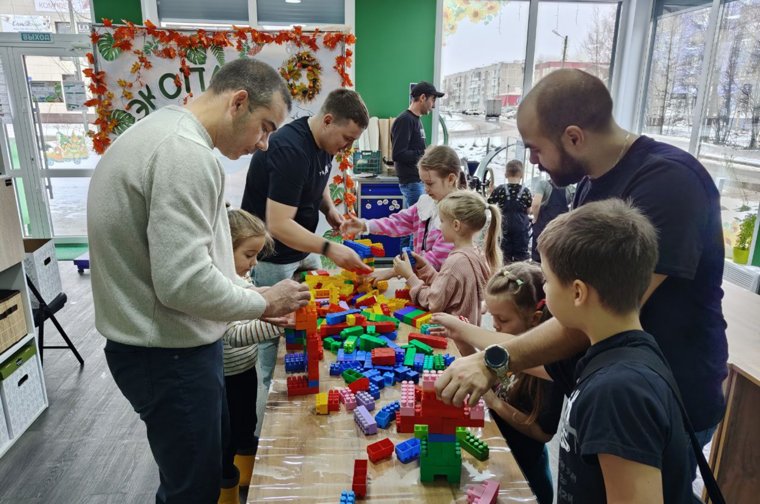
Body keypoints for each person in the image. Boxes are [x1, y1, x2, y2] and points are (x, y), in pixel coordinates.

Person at [433, 69, 728, 484]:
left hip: (659, 399)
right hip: (603, 384)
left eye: (535, 148)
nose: (531, 160)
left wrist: (493, 360)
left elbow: (588, 318)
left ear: (573, 137)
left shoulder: (669, 184)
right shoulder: (592, 183)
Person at [87, 59, 311, 504]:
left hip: (159, 348)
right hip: (167, 354)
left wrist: (252, 292)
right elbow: (183, 283)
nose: (265, 144)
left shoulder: (165, 133)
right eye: (264, 128)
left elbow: (197, 262)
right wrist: (263, 303)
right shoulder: (183, 153)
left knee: (193, 476)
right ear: (238, 102)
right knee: (193, 489)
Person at [539, 199, 692, 503]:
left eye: (547, 279)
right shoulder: (620, 355)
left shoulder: (618, 391)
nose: (544, 289)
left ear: (578, 292)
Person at [241, 88, 372, 391]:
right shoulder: (290, 150)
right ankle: (267, 412)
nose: (347, 147)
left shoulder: (323, 143)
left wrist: (329, 210)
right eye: (347, 139)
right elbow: (278, 224)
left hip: (301, 248)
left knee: (314, 314)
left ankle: (313, 370)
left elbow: (319, 179)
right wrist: (330, 248)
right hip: (274, 255)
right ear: (328, 120)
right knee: (272, 343)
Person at [438, 262, 562, 504]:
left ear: (535, 318)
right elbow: (486, 376)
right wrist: (462, 342)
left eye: (502, 319)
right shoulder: (506, 351)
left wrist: (495, 403)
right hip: (500, 456)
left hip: (526, 473)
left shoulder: (549, 367)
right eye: (492, 316)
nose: (494, 325)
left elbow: (543, 434)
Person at [219, 209, 289, 503]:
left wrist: (273, 298)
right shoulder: (220, 285)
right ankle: (227, 489)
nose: (254, 263)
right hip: (225, 378)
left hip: (244, 370)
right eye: (249, 254)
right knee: (226, 438)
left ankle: (247, 473)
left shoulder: (239, 278)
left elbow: (254, 293)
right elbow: (235, 334)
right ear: (224, 249)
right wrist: (276, 325)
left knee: (247, 422)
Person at [393, 190, 501, 356]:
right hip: (467, 339)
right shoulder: (474, 253)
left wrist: (410, 277)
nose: (439, 226)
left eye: (442, 221)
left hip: (452, 345)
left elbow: (434, 301)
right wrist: (427, 269)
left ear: (456, 225)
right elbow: (450, 288)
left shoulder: (456, 262)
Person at [340, 145, 464, 279]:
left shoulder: (457, 215)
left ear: (451, 179)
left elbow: (435, 260)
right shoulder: (427, 202)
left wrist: (394, 271)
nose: (426, 189)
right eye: (423, 183)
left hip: (444, 286)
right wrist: (365, 226)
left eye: (430, 183)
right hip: (424, 282)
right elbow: (398, 222)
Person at [392, 81, 445, 249]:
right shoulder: (405, 120)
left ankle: (407, 263)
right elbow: (398, 154)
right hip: (411, 182)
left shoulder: (416, 120)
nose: (433, 105)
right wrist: (425, 153)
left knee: (415, 225)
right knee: (414, 225)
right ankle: (406, 263)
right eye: (432, 100)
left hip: (417, 181)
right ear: (422, 98)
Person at [488, 160, 532, 263]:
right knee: (520, 255)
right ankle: (519, 274)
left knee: (503, 254)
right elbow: (529, 210)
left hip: (503, 226)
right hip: (521, 228)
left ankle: (504, 274)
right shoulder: (526, 191)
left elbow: (490, 204)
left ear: (506, 174)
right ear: (521, 175)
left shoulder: (500, 189)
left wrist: (491, 192)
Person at [530, 178, 573, 262]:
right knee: (555, 258)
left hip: (542, 225)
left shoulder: (543, 184)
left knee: (538, 258)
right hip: (560, 227)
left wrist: (535, 218)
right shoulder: (570, 188)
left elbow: (535, 204)